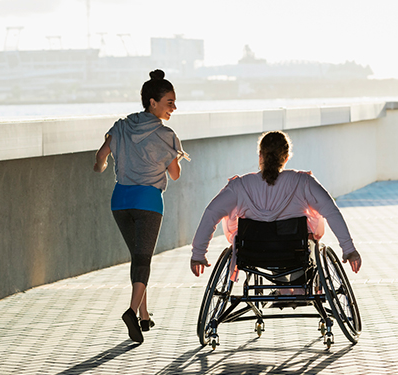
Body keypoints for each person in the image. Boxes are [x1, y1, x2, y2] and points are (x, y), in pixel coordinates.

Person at [94, 69, 188, 343]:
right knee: (144, 259)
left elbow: (100, 159)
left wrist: (102, 165)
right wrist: (170, 157)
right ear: (153, 102)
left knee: (138, 257)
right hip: (147, 201)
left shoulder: (121, 126)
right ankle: (131, 312)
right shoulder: (165, 135)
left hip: (120, 200)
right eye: (169, 102)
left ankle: (144, 316)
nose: (174, 107)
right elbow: (175, 174)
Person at [190, 130, 361, 279]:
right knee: (310, 232)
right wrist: (349, 249)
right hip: (295, 251)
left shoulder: (239, 186)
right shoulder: (302, 182)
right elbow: (330, 210)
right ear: (286, 158)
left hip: (252, 252)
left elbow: (212, 213)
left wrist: (198, 253)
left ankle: (283, 286)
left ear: (260, 156)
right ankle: (294, 287)